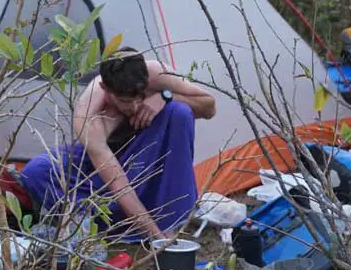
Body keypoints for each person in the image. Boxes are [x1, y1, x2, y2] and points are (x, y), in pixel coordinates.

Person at [13, 47, 216, 241]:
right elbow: (120, 186)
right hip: (106, 166)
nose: (135, 107)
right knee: (36, 171)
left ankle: (172, 215)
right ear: (105, 89)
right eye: (126, 102)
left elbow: (209, 107)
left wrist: (165, 96)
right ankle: (98, 223)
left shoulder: (155, 73)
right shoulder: (89, 118)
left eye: (140, 97)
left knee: (179, 113)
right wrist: (157, 237)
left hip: (151, 152)